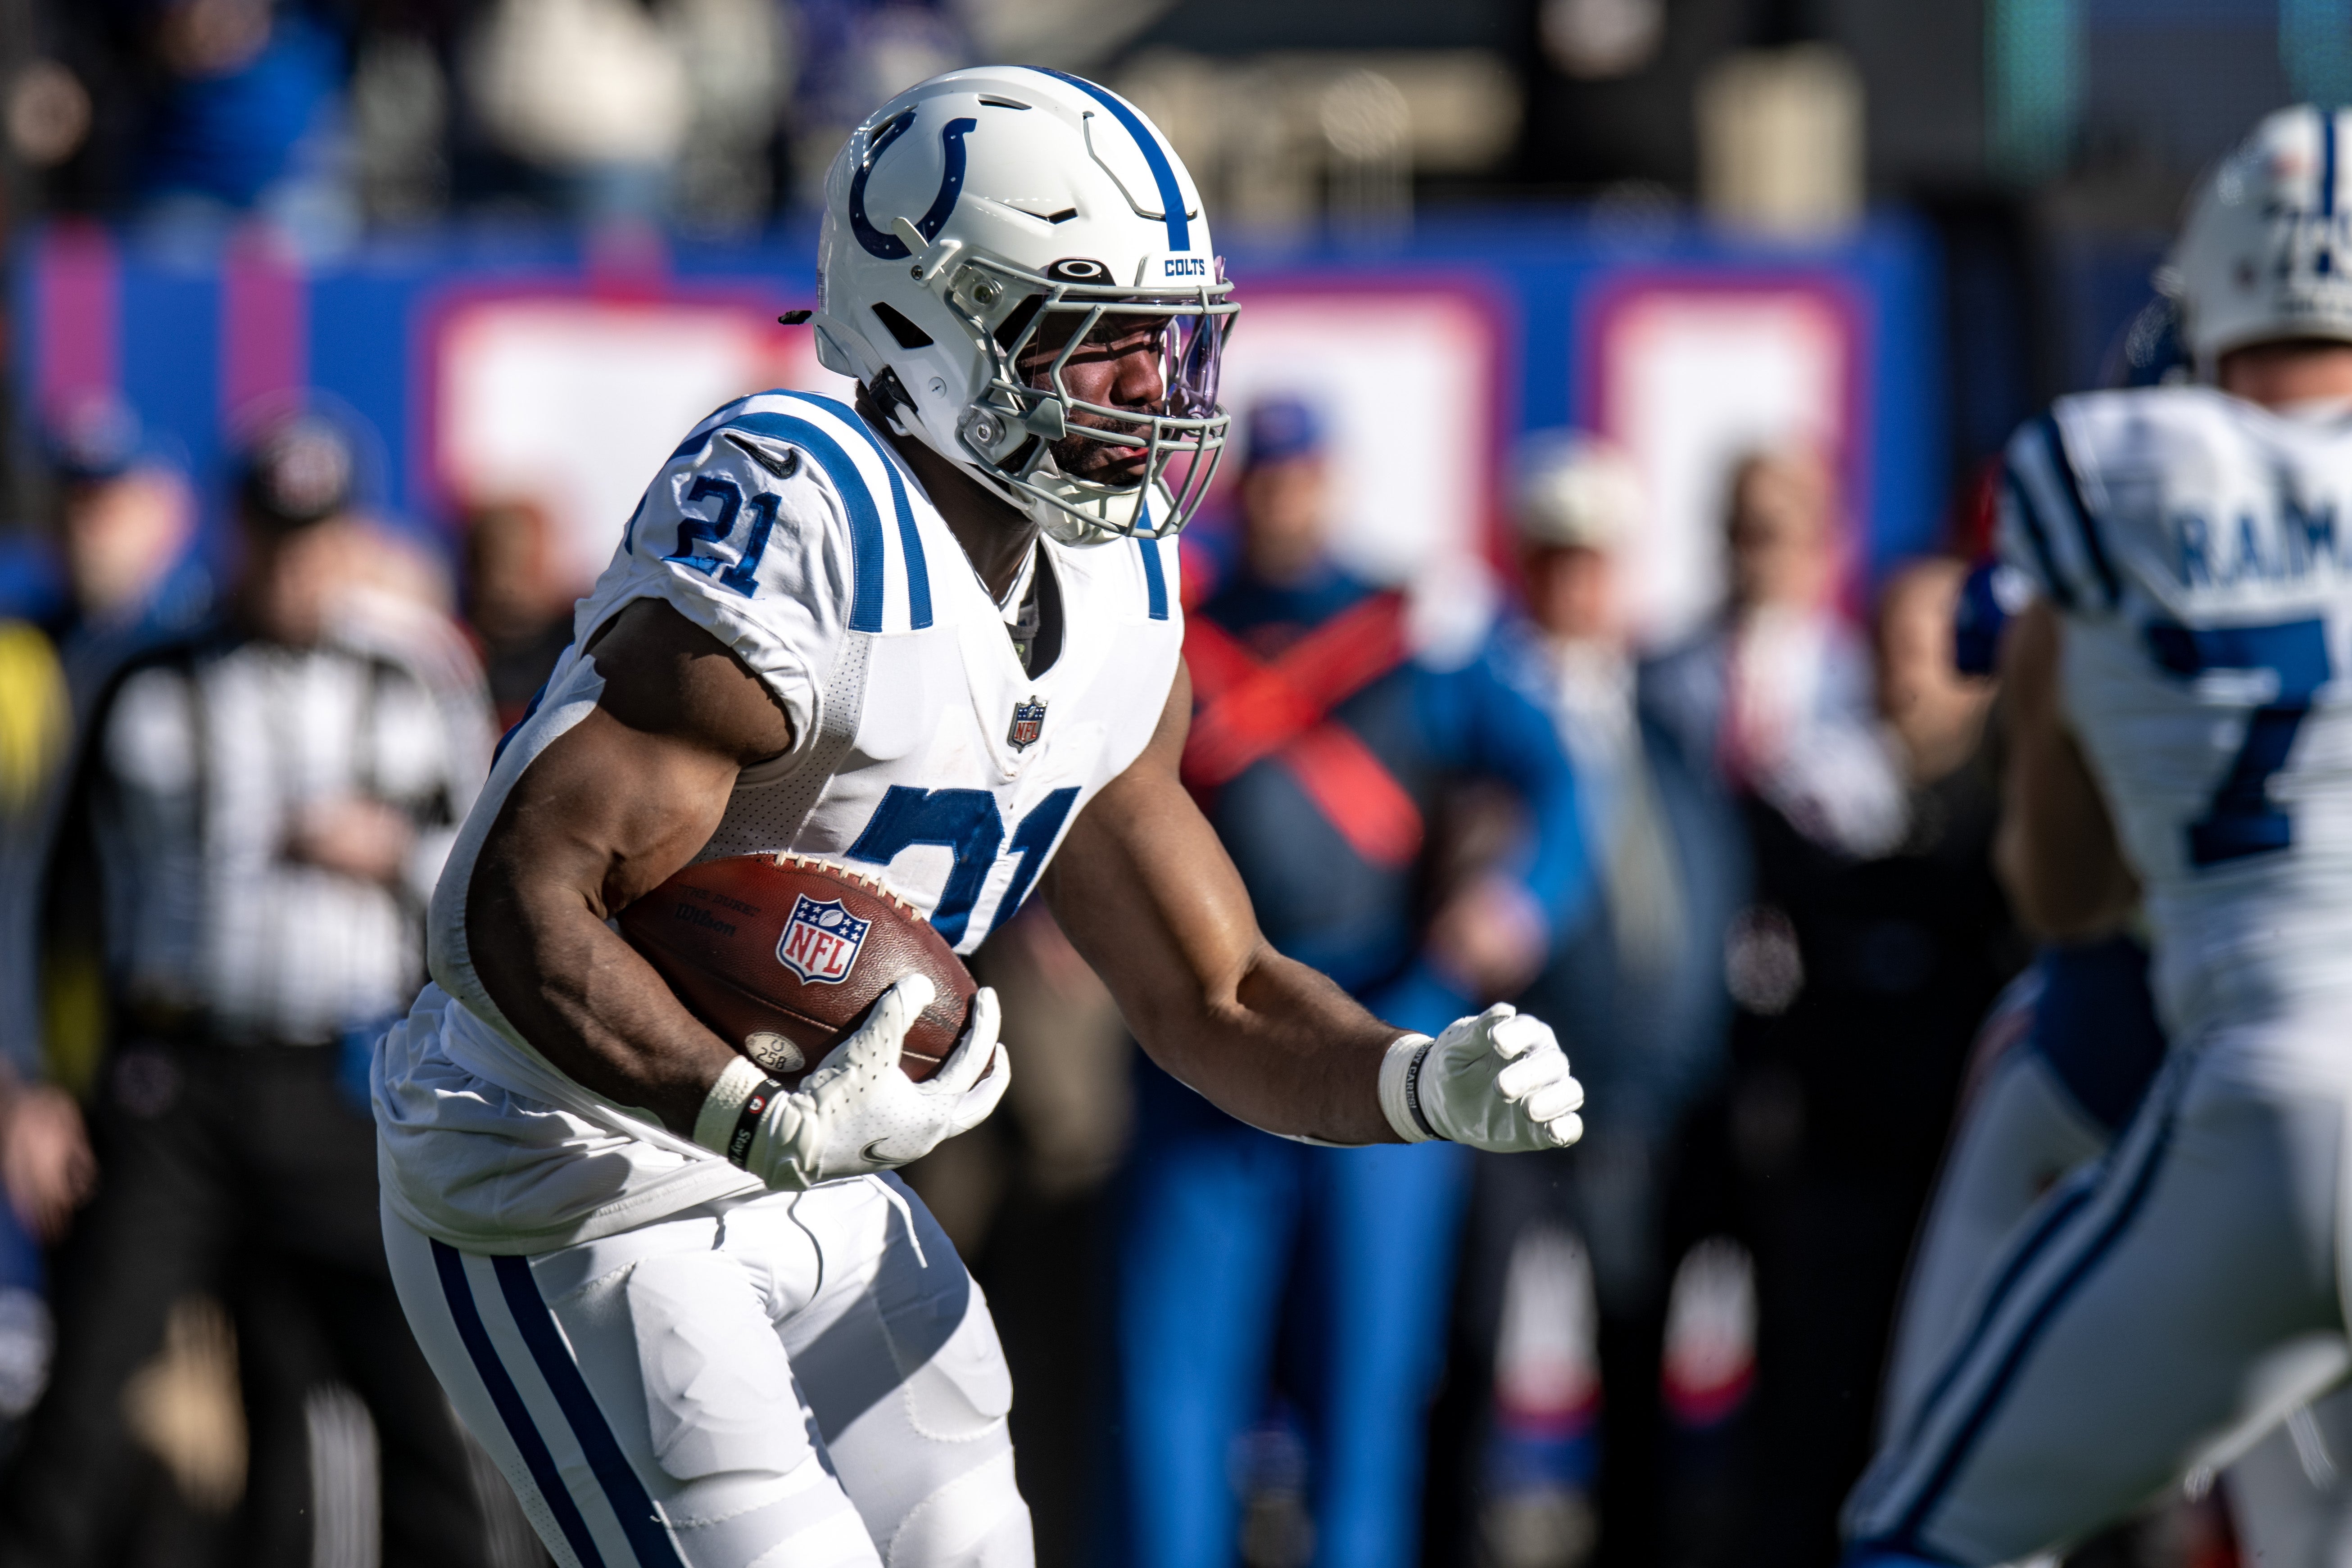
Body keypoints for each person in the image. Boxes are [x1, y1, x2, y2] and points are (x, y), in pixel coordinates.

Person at [368, 65, 1590, 1568]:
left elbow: (1208, 989)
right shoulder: (804, 513)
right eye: (1100, 342)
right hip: (575, 1165)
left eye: (1167, 343)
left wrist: (1411, 1078)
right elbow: (511, 910)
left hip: (828, 1172)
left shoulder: (1121, 591)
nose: (1156, 389)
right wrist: (761, 1113)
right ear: (929, 321)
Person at [1843, 104, 2352, 1566]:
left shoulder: (2113, 476)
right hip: (2198, 1059)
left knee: (1923, 1526)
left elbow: (2060, 885)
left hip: (2223, 1069)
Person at [0, 412, 499, 1568]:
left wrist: (393, 854)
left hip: (344, 1082)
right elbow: (39, 891)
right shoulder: (139, 670)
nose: (294, 566)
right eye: (272, 538)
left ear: (353, 538)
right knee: (84, 1404)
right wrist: (29, 1085)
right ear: (233, 537)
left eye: (316, 539)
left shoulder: (413, 671)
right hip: (175, 1084)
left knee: (414, 1405)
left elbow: (494, 880)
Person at [1112, 397, 1590, 1568]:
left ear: (1333, 484)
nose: (1283, 499)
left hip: (1383, 1022)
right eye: (1264, 477)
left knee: (1368, 1392)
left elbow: (1558, 781)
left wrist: (1514, 904)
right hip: (1201, 1049)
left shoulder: (1410, 634)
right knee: (1171, 1392)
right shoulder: (1171, 629)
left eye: (1303, 476)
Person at [1433, 432, 1745, 1568]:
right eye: (1554, 557)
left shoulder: (1657, 711)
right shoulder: (1470, 704)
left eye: (1596, 558)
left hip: (1638, 1090)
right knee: (1468, 1343)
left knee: (1634, 1346)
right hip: (1503, 1077)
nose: (1576, 584)